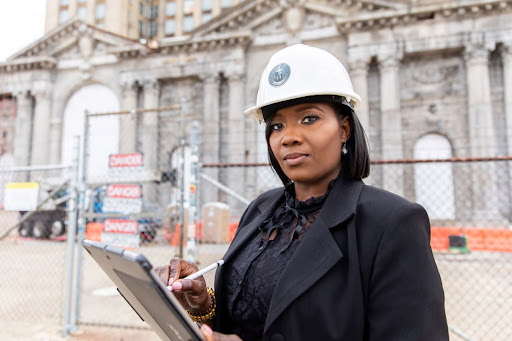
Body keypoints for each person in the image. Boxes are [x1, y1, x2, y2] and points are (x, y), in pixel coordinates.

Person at [155, 44, 449, 341]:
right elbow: (248, 321)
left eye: (309, 118)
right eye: (276, 125)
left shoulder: (392, 223)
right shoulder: (261, 210)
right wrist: (203, 304)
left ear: (344, 128)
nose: (288, 137)